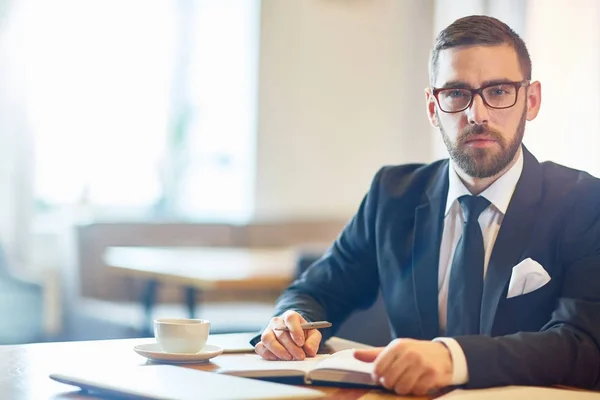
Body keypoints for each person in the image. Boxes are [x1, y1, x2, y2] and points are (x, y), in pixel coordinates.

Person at [251, 15, 600, 396]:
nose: (477, 115)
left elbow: (582, 344)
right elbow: (316, 292)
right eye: (456, 93)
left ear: (530, 101)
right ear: (433, 108)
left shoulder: (584, 202)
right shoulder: (393, 195)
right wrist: (292, 323)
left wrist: (451, 359)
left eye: (498, 92)